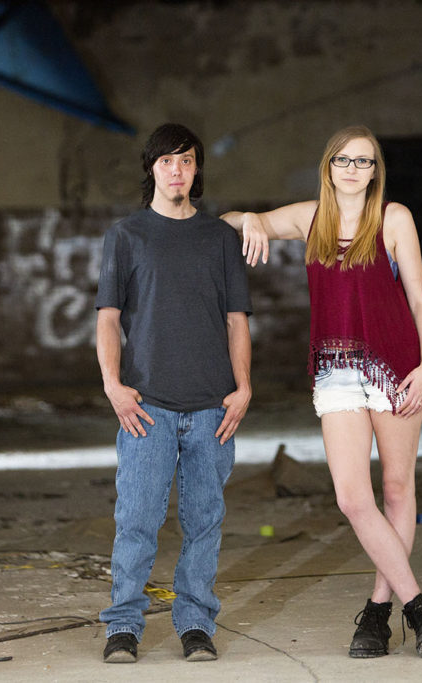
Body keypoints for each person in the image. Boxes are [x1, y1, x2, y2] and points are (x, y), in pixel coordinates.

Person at [221, 125, 422, 659]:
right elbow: (226, 223)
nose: (354, 169)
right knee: (352, 498)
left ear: (376, 171)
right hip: (336, 373)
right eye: (344, 161)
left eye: (365, 162)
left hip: (398, 366)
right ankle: (419, 607)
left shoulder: (394, 218)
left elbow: (419, 298)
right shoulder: (310, 218)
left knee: (397, 489)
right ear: (328, 166)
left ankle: (377, 613)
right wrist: (255, 219)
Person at [95, 123, 252, 663]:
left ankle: (195, 624)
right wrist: (114, 386)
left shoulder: (218, 238)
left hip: (212, 406)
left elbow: (236, 321)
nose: (177, 170)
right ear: (152, 169)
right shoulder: (126, 235)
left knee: (204, 521)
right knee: (137, 520)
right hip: (147, 408)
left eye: (186, 161)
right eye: (166, 161)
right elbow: (108, 319)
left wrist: (244, 388)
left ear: (196, 170)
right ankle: (122, 627)